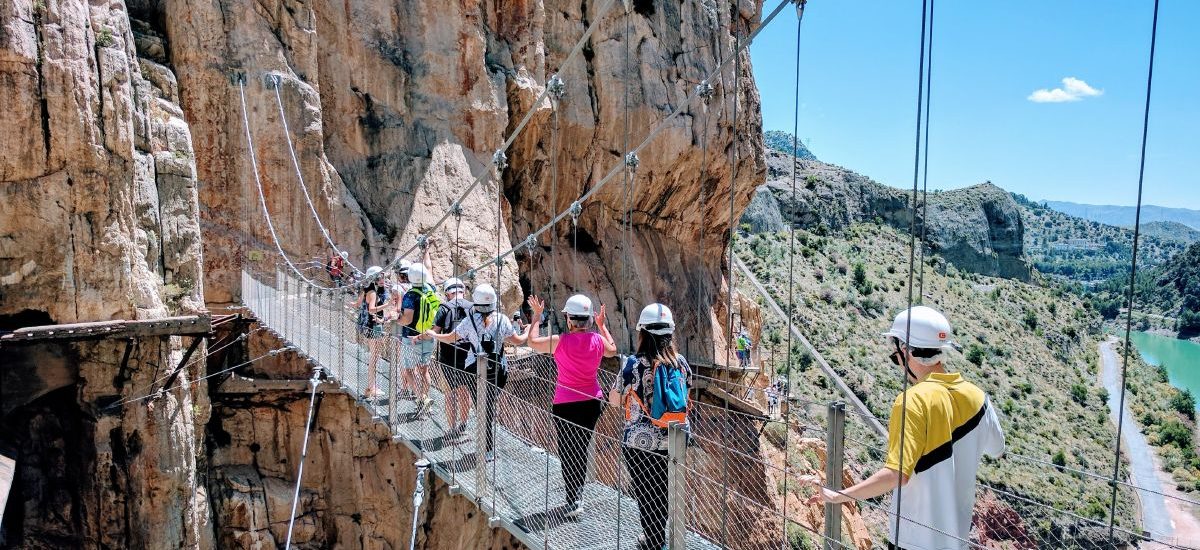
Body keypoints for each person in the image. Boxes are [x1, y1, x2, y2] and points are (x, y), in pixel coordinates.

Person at [804, 306, 1005, 550]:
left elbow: (896, 474)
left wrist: (839, 496)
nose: (897, 362)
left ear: (907, 351)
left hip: (914, 542)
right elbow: (997, 448)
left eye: (896, 354)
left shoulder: (912, 401)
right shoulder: (978, 398)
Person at [527, 293, 617, 520]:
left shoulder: (560, 341)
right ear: (588, 320)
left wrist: (537, 316)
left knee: (567, 450)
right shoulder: (597, 340)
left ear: (569, 320)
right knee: (581, 446)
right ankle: (578, 494)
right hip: (593, 402)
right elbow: (612, 350)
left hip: (565, 403)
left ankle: (574, 497)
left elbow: (532, 343)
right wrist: (603, 326)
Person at [610, 303, 691, 550]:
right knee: (664, 492)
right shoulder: (681, 363)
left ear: (642, 333)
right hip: (675, 438)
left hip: (640, 441)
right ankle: (660, 539)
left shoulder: (633, 364)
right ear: (670, 333)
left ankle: (654, 541)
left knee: (645, 493)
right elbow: (686, 394)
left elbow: (614, 400)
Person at [426, 283, 527, 460]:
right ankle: (487, 448)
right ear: (494, 302)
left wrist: (433, 334)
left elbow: (449, 338)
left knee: (482, 407)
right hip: (498, 371)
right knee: (487, 406)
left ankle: (486, 447)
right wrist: (532, 327)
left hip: (474, 371)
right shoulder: (502, 319)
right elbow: (518, 341)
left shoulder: (469, 321)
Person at [395, 262, 438, 414]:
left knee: (408, 370)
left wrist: (397, 319)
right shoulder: (431, 290)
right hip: (429, 336)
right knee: (424, 371)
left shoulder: (410, 295)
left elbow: (407, 319)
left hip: (411, 338)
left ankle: (421, 398)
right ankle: (426, 400)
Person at [433, 277, 473, 437]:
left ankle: (451, 429)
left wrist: (422, 335)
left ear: (448, 293)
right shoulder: (473, 308)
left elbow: (435, 332)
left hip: (448, 357)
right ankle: (463, 424)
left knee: (450, 394)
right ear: (463, 291)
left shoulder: (444, 307)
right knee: (465, 392)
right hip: (469, 356)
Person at [352, 265, 388, 398]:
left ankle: (371, 387)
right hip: (374, 327)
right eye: (380, 277)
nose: (382, 279)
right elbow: (372, 310)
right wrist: (388, 305)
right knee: (375, 357)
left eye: (383, 276)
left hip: (369, 326)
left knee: (374, 356)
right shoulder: (373, 292)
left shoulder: (366, 289)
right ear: (374, 278)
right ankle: (371, 388)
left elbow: (357, 303)